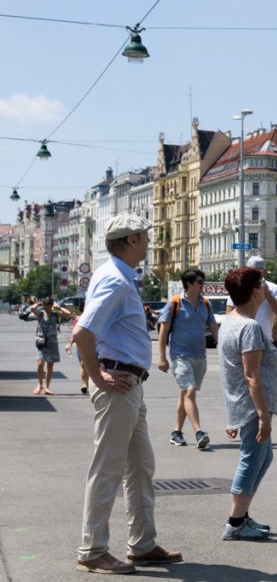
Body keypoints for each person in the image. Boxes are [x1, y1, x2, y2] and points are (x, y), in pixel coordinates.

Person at [73, 213, 182, 575]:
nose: (149, 242)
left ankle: (142, 543)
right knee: (108, 468)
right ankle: (92, 550)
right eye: (145, 236)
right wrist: (99, 378)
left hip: (130, 382)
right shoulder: (116, 281)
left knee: (139, 467)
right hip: (119, 382)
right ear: (132, 240)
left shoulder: (117, 276)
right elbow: (84, 331)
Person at [218, 266, 277, 540]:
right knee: (251, 459)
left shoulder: (230, 321)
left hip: (243, 404)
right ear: (256, 291)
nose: (265, 288)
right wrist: (263, 416)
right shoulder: (249, 326)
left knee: (263, 457)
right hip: (253, 405)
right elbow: (251, 375)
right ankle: (235, 523)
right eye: (262, 284)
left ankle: (242, 516)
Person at [157, 269, 218, 449]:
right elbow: (163, 331)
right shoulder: (175, 303)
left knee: (186, 394)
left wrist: (220, 342)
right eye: (199, 282)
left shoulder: (206, 304)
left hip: (200, 356)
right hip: (180, 356)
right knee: (189, 391)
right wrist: (162, 358)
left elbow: (213, 325)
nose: (202, 285)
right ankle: (199, 431)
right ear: (189, 284)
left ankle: (176, 432)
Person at [226, 256, 277, 413]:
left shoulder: (272, 287)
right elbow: (229, 314)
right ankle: (246, 412)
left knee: (267, 378)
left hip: (266, 341)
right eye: (255, 271)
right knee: (246, 379)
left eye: (261, 272)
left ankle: (272, 406)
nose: (259, 275)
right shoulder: (239, 285)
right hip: (243, 339)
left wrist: (268, 294)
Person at [31, 296, 72, 395]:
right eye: (45, 305)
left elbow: (68, 314)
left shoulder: (55, 314)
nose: (47, 307)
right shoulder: (40, 314)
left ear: (51, 305)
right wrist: (38, 303)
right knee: (40, 363)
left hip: (52, 341)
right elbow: (32, 308)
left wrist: (58, 307)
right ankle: (40, 384)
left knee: (50, 364)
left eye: (49, 305)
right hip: (41, 341)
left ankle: (47, 387)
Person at [65, 317, 91, 395]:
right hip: (82, 345)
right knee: (83, 364)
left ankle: (91, 385)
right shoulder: (79, 319)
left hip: (96, 345)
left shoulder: (98, 316)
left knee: (94, 365)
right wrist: (69, 344)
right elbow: (75, 333)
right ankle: (84, 385)